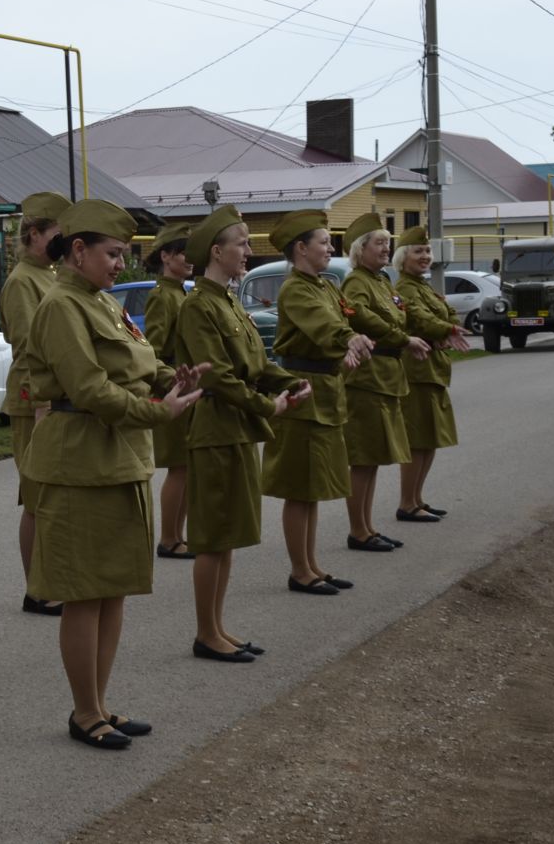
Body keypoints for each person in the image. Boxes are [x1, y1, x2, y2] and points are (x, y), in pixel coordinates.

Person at [26, 198, 204, 750]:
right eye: (112, 253)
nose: (120, 265)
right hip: (81, 459)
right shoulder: (61, 306)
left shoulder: (102, 304)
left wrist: (173, 375)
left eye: (124, 255)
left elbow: (137, 362)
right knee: (84, 593)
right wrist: (158, 412)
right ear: (77, 250)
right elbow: (87, 388)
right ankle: (84, 713)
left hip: (118, 456)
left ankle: (101, 703)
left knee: (113, 591)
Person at [176, 204, 303, 661]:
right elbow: (219, 377)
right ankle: (206, 634)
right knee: (212, 537)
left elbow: (255, 363)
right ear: (217, 251)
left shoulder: (228, 300)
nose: (250, 250)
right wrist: (268, 405)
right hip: (215, 428)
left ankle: (217, 628)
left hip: (237, 428)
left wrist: (287, 382)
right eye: (243, 243)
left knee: (226, 536)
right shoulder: (198, 306)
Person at [264, 210, 372, 596]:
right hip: (303, 392)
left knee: (313, 487)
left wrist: (350, 343)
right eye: (323, 242)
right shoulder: (295, 289)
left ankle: (311, 565)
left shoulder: (324, 285)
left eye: (329, 242)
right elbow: (324, 325)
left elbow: (343, 320)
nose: (330, 248)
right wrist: (347, 339)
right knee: (300, 487)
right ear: (301, 248)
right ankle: (299, 571)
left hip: (325, 388)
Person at [0, 189, 71, 616]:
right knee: (37, 496)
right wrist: (44, 400)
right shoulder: (23, 280)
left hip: (50, 396)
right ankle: (36, 590)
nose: (64, 244)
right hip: (33, 398)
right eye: (58, 234)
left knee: (52, 496)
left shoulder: (52, 275)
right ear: (34, 233)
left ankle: (50, 580)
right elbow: (31, 347)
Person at [338, 213, 427, 553]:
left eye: (388, 243)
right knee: (362, 457)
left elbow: (401, 311)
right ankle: (358, 531)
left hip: (387, 375)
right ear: (361, 250)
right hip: (368, 377)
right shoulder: (357, 282)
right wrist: (403, 339)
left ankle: (367, 526)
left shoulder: (381, 281)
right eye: (380, 243)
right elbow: (364, 317)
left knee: (373, 457)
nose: (387, 248)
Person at [391, 226, 470, 521]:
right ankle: (406, 503)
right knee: (417, 439)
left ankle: (417, 498)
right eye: (418, 251)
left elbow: (447, 312)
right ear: (403, 257)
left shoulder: (423, 286)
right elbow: (421, 319)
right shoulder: (404, 289)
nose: (425, 256)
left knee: (430, 438)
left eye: (427, 251)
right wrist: (445, 329)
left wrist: (446, 326)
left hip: (433, 370)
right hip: (417, 372)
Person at [144, 221, 195, 559]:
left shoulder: (181, 291)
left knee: (188, 465)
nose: (190, 258)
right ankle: (168, 538)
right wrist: (168, 385)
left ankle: (178, 534)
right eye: (183, 252)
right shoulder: (162, 296)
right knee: (179, 465)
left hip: (187, 385)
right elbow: (155, 348)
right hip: (173, 385)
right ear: (166, 256)